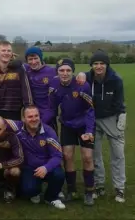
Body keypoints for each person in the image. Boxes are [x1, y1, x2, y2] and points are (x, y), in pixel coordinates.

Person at [0, 106, 66, 209]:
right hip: (29, 168)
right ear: (23, 119)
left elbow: (57, 155)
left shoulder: (49, 132)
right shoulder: (18, 126)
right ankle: (35, 191)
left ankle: (51, 197)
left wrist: (46, 168)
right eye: (30, 117)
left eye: (36, 116)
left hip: (47, 166)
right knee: (28, 191)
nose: (34, 119)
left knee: (59, 175)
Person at [76, 50, 127, 203]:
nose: (98, 66)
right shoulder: (86, 78)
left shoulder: (116, 79)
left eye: (102, 64)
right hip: (92, 120)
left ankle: (119, 188)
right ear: (91, 65)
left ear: (106, 65)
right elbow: (69, 79)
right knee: (95, 155)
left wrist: (121, 117)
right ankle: (99, 185)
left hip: (111, 118)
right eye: (95, 64)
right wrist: (79, 74)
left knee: (117, 155)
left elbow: (120, 102)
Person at [47, 59, 96, 206]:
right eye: (61, 70)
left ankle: (89, 191)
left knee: (87, 157)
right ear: (57, 72)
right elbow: (52, 108)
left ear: (73, 72)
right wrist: (49, 127)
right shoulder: (53, 85)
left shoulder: (83, 85)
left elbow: (90, 109)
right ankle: (72, 190)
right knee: (67, 156)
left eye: (68, 70)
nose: (65, 73)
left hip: (84, 125)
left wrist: (89, 130)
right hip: (67, 125)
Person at [0, 40, 33, 124]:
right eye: (3, 50)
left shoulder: (19, 70)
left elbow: (26, 92)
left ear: (12, 53)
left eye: (9, 51)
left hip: (14, 113)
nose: (6, 53)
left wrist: (28, 111)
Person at [23, 46, 58, 130]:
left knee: (49, 139)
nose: (33, 62)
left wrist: (81, 75)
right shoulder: (26, 69)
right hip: (32, 113)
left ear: (41, 58)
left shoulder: (52, 71)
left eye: (36, 58)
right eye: (30, 59)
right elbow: (11, 63)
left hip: (48, 113)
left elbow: (67, 75)